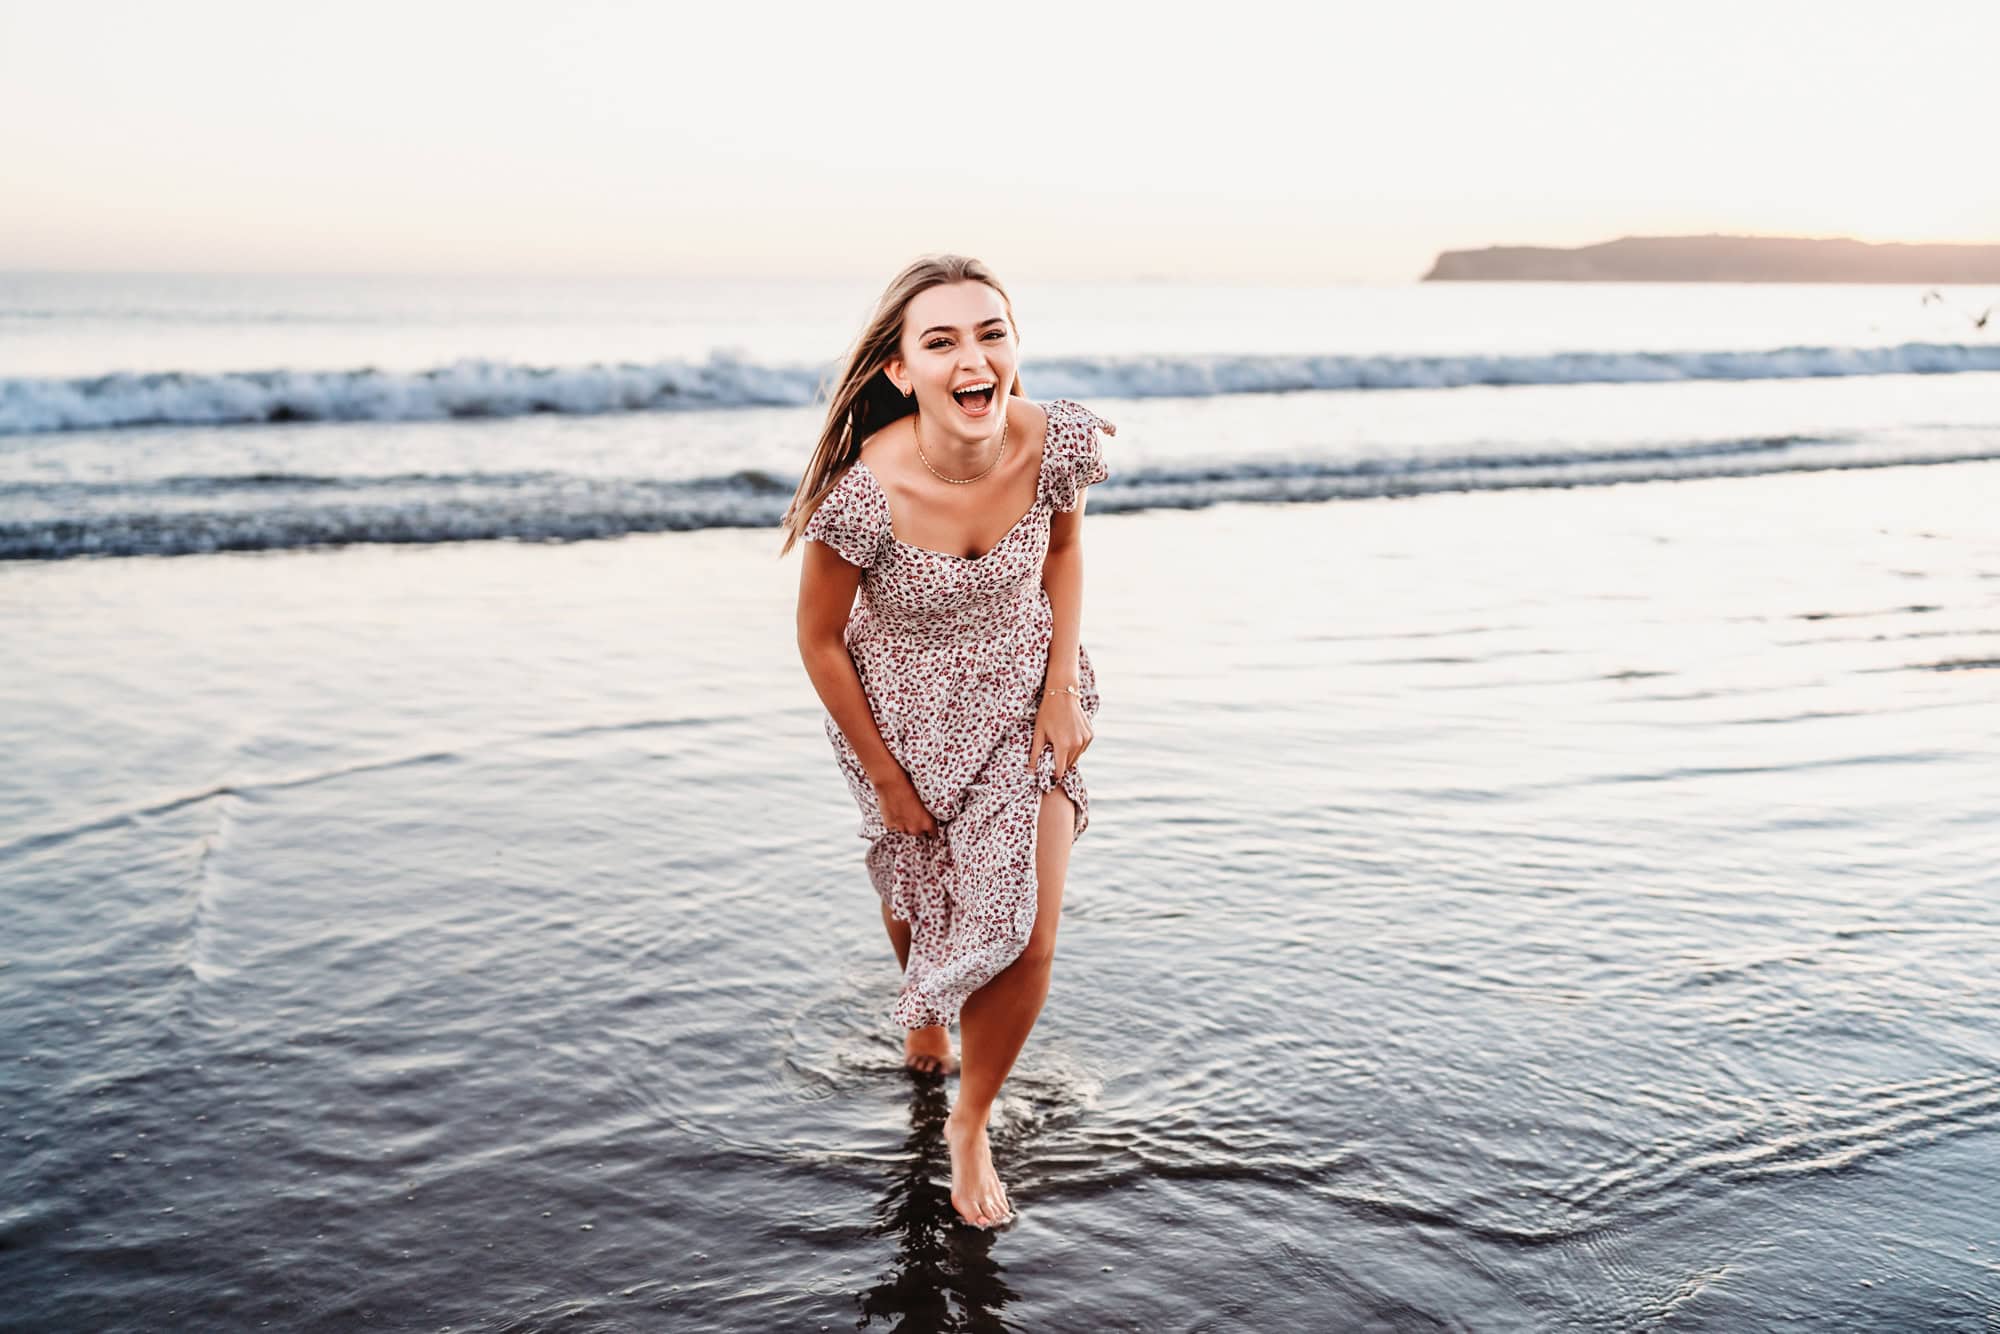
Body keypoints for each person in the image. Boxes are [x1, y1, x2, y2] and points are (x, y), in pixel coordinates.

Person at [781, 254, 1114, 1230]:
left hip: (1026, 693)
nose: (973, 356)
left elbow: (1060, 550)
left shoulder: (1054, 443)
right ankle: (923, 1011)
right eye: (941, 340)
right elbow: (816, 637)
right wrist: (885, 775)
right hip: (899, 715)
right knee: (922, 885)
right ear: (899, 370)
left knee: (1023, 926)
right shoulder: (859, 497)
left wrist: (1060, 690)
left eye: (990, 332)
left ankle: (969, 1123)